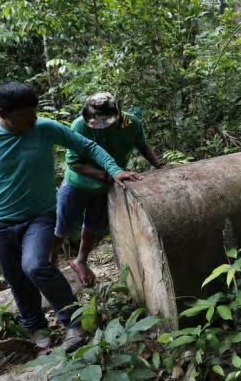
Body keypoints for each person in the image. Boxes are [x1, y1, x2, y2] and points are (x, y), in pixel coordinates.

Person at [0, 82, 142, 351]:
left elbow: (89, 147)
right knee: (16, 278)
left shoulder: (45, 128)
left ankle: (72, 322)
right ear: (2, 113)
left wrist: (114, 169)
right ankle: (36, 327)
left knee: (36, 266)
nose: (34, 119)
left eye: (35, 113)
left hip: (40, 215)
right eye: (27, 116)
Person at [53, 92, 162, 286]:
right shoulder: (80, 125)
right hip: (77, 184)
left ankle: (81, 261)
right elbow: (74, 163)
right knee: (62, 224)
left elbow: (142, 145)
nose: (105, 128)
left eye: (109, 123)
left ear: (118, 114)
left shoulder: (132, 123)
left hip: (106, 187)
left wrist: (158, 165)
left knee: (94, 226)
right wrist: (104, 174)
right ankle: (51, 263)